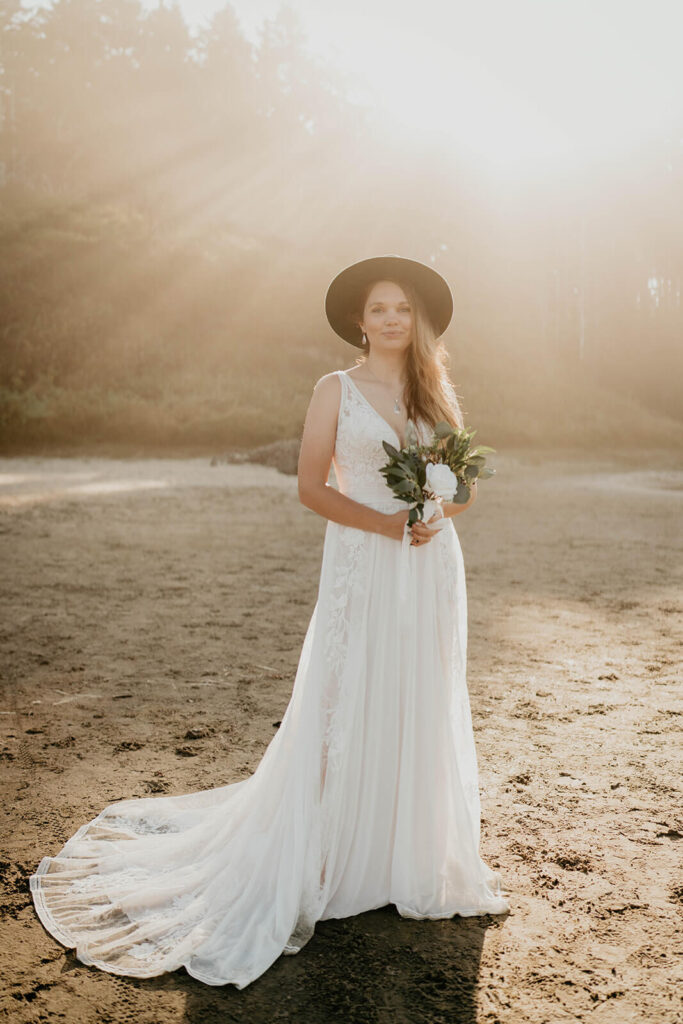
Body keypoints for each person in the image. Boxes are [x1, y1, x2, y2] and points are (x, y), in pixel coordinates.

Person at [30, 254, 508, 990]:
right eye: (379, 308)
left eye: (403, 309)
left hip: (429, 565)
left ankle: (399, 855)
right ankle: (329, 851)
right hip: (363, 560)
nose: (390, 319)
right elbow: (311, 487)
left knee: (415, 693)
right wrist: (385, 527)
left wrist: (435, 512)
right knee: (345, 693)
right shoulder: (335, 389)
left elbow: (464, 487)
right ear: (359, 318)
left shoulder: (434, 389)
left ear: (418, 321)